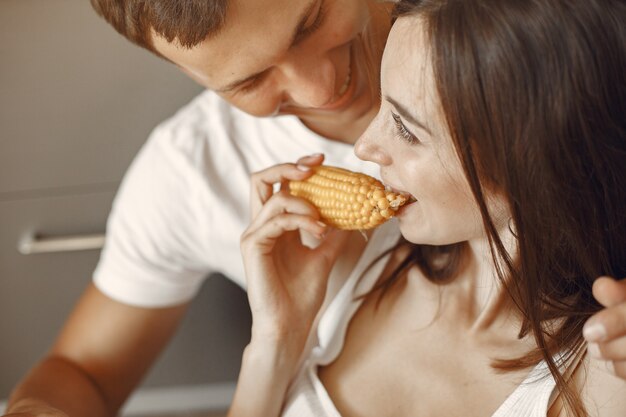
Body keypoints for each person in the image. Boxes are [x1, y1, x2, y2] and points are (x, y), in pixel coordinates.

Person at [3, 0, 625, 416]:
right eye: (249, 82)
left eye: (309, 21)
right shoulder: (202, 175)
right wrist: (276, 342)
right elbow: (81, 367)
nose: (324, 92)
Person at [235, 0, 626, 416]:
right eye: (382, 103)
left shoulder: (606, 371)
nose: (364, 146)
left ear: (530, 164)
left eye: (405, 128)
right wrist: (274, 342)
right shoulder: (349, 253)